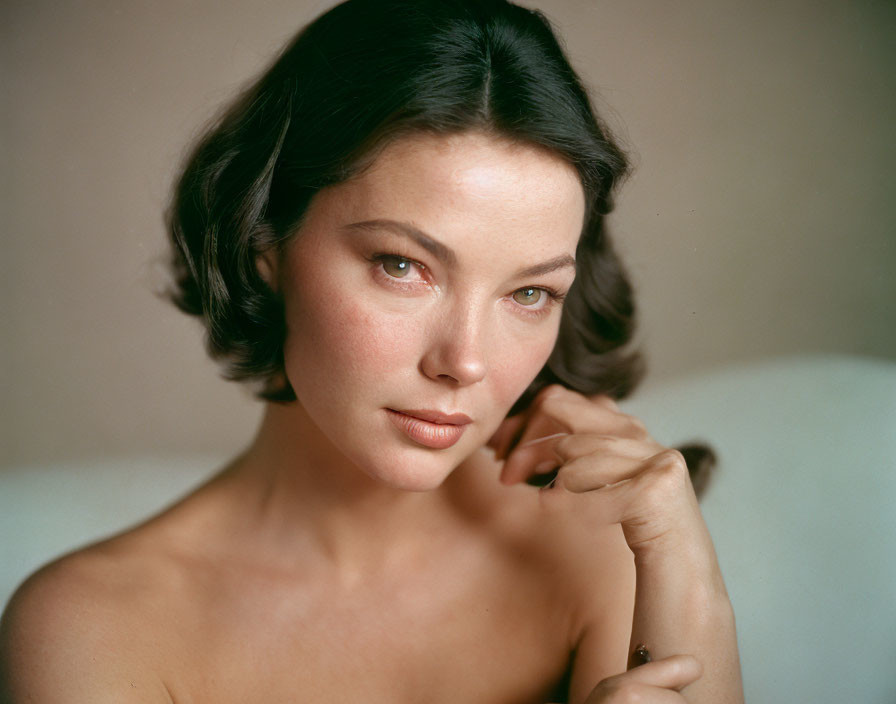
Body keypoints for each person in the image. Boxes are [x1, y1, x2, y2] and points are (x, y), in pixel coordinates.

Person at [0, 0, 743, 701]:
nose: (466, 362)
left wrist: (690, 578)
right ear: (267, 242)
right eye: (402, 265)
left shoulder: (601, 546)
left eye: (528, 294)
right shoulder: (91, 629)